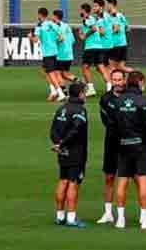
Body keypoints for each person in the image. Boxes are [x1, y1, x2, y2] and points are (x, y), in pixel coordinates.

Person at [112, 70, 146, 230]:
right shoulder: (145, 101)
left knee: (122, 181)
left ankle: (120, 219)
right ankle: (144, 220)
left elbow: (113, 126)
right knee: (143, 181)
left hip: (123, 145)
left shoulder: (117, 102)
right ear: (140, 82)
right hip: (142, 146)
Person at [51, 82, 90, 228]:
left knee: (63, 180)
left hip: (62, 152)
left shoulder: (61, 108)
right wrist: (63, 144)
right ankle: (71, 218)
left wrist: (57, 144)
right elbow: (76, 130)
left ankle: (60, 216)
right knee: (73, 183)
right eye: (84, 92)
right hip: (75, 152)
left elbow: (53, 130)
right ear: (80, 94)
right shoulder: (80, 110)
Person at [96, 68, 127, 225]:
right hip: (112, 142)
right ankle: (108, 213)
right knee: (109, 177)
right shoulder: (105, 99)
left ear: (124, 80)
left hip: (129, 143)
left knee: (130, 178)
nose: (117, 83)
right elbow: (105, 121)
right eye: (114, 80)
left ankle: (128, 214)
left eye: (119, 79)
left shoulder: (131, 97)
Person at [30, 7, 64, 101]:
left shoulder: (39, 26)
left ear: (40, 15)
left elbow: (35, 40)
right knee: (45, 71)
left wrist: (30, 37)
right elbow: (61, 37)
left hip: (47, 53)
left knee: (51, 73)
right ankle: (53, 91)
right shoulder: (51, 24)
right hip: (55, 52)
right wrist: (53, 41)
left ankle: (60, 93)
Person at [78, 3, 108, 97]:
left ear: (84, 10)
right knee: (101, 67)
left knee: (85, 67)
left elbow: (94, 29)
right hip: (99, 46)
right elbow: (100, 30)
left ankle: (91, 89)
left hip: (91, 47)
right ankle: (109, 86)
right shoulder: (93, 19)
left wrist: (85, 35)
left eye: (81, 10)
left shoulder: (87, 19)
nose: (80, 12)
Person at [51, 9, 78, 90]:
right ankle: (80, 83)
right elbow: (73, 40)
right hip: (69, 54)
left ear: (55, 16)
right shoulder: (67, 26)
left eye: (52, 15)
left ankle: (64, 92)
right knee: (65, 74)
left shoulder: (55, 26)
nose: (51, 17)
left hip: (60, 54)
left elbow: (60, 39)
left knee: (57, 73)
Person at [105, 0, 130, 72]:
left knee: (110, 67)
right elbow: (127, 28)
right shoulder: (121, 15)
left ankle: (111, 83)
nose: (106, 6)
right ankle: (137, 75)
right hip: (123, 44)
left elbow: (116, 29)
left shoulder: (112, 15)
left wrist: (107, 34)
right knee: (121, 67)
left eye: (107, 4)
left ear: (111, 4)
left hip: (115, 45)